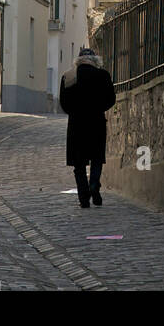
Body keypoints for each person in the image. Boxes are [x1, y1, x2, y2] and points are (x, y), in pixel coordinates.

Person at [59, 46, 116, 207]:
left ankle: (84, 198)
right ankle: (94, 185)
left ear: (78, 61)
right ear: (95, 60)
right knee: (97, 158)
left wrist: (75, 112)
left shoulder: (69, 76)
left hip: (76, 125)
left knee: (79, 163)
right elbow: (111, 99)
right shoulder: (102, 75)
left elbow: (63, 103)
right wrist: (98, 108)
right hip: (96, 122)